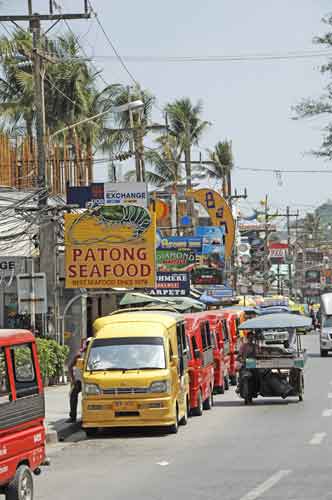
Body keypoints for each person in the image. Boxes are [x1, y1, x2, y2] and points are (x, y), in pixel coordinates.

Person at [67, 339, 90, 423]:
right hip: (80, 381)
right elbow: (70, 367)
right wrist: (73, 380)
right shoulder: (79, 355)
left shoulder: (96, 354)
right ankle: (73, 416)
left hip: (91, 381)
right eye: (87, 345)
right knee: (73, 394)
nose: (88, 347)